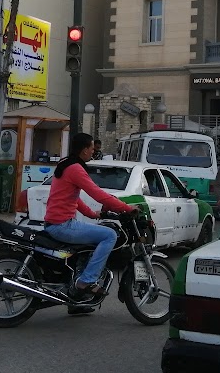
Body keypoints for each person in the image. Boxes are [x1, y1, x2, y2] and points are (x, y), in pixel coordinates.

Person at [43, 132, 138, 312]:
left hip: (55, 223)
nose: (93, 152)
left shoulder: (65, 163)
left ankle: (77, 300)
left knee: (91, 243)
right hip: (63, 225)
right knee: (109, 235)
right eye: (92, 148)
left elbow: (72, 197)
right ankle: (86, 282)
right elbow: (97, 194)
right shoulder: (76, 168)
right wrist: (126, 208)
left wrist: (92, 214)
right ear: (84, 149)